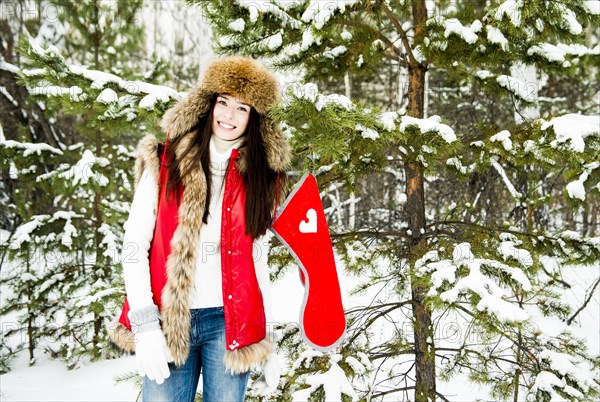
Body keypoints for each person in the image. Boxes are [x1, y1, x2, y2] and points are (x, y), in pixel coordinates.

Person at [108, 56, 290, 402]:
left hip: (230, 323)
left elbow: (258, 260)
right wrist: (145, 326)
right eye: (223, 102)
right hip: (167, 320)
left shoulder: (262, 178)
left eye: (242, 108)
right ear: (208, 104)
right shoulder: (166, 162)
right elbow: (134, 246)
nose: (228, 115)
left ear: (253, 120)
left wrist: (267, 336)